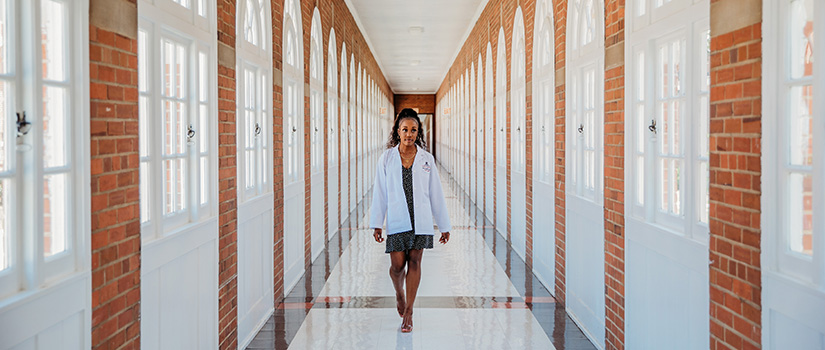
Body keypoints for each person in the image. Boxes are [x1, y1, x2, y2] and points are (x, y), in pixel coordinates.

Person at [369, 108, 451, 333]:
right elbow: (380, 192)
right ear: (397, 131)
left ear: (418, 132)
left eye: (413, 130)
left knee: (415, 263)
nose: (409, 134)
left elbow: (436, 193)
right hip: (397, 219)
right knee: (397, 267)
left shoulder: (426, 159)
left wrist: (444, 225)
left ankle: (410, 311)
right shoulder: (386, 158)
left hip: (420, 220)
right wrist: (377, 222)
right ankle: (399, 293)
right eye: (405, 129)